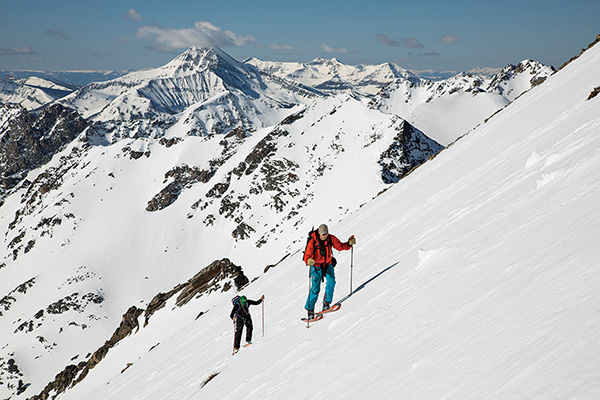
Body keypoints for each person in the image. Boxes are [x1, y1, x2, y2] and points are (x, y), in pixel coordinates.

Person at [304, 224, 356, 319]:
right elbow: (307, 255)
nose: (324, 236)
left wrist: (349, 244)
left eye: (326, 234)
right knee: (315, 289)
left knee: (331, 282)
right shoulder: (313, 241)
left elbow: (339, 246)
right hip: (316, 266)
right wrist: (308, 260)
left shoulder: (330, 238)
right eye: (323, 234)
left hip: (328, 264)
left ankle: (326, 303)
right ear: (319, 232)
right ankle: (310, 309)